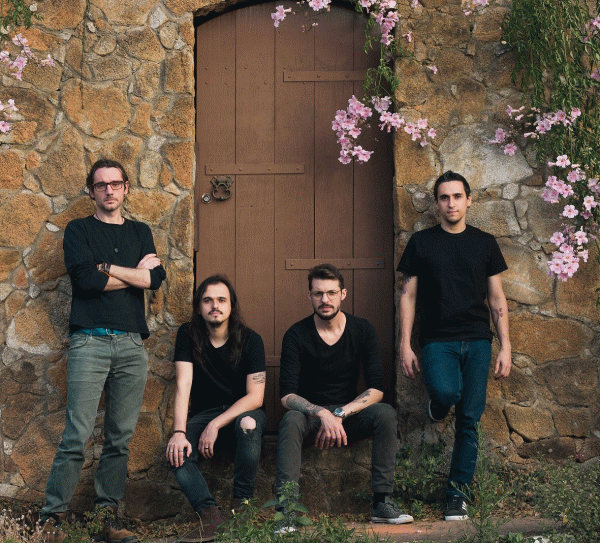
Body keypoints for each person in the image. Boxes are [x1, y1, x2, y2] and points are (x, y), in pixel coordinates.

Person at [39, 159, 166, 543]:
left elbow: (156, 278)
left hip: (131, 345)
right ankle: (52, 520)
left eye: (115, 184)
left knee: (119, 438)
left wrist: (108, 268)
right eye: (101, 185)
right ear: (91, 191)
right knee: (76, 435)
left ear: (126, 188)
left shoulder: (140, 231)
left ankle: (106, 521)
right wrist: (135, 274)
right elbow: (85, 281)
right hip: (89, 341)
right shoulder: (79, 230)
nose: (109, 190)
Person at [397, 170, 511, 521]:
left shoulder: (485, 243)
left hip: (478, 339)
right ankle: (438, 404)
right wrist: (404, 344)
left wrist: (506, 346)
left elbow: (497, 298)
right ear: (436, 204)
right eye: (444, 197)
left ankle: (457, 495)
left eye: (457, 196)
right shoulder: (421, 243)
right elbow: (408, 295)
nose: (451, 203)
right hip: (437, 340)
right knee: (446, 392)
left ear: (469, 200)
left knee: (469, 420)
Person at [275, 263, 413, 532]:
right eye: (318, 294)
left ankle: (382, 502)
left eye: (331, 293)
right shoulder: (296, 334)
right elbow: (287, 395)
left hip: (347, 416)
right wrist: (322, 413)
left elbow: (376, 389)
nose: (324, 300)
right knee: (290, 419)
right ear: (309, 296)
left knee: (385, 413)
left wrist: (339, 414)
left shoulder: (362, 330)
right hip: (311, 418)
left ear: (343, 294)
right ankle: (286, 510)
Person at [167, 275, 267, 543]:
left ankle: (241, 512)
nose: (215, 306)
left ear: (231, 305)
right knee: (176, 452)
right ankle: (211, 518)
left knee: (249, 424)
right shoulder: (188, 335)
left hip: (242, 412)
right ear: (199, 307)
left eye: (221, 300)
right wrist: (179, 432)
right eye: (207, 300)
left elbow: (255, 397)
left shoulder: (251, 340)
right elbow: (183, 384)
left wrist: (216, 424)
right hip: (204, 413)